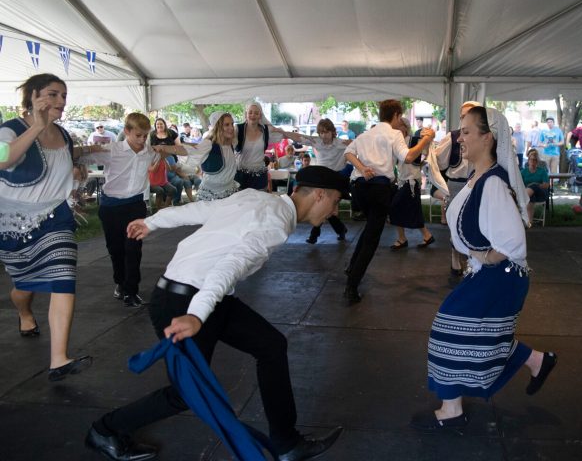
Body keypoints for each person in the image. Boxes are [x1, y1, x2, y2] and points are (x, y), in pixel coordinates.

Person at [85, 166, 347, 461]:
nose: (335, 211)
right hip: (183, 302)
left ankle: (287, 444)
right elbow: (229, 265)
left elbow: (201, 209)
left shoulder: (258, 198)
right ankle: (105, 430)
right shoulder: (276, 222)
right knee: (186, 393)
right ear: (320, 195)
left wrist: (153, 222)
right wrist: (196, 315)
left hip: (203, 297)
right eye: (335, 202)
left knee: (271, 346)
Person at [411, 106, 554, 432]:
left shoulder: (491, 183)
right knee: (486, 336)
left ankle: (451, 409)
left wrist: (483, 255)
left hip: (500, 278)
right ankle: (538, 361)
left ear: (488, 137)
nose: (460, 136)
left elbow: (513, 241)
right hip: (491, 276)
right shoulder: (479, 178)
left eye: (467, 131)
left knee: (446, 332)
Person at [0, 73, 92, 381]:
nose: (60, 102)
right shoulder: (10, 129)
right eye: (52, 94)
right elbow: (2, 159)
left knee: (64, 277)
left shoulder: (64, 136)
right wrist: (37, 126)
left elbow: (59, 169)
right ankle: (25, 312)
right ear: (33, 96)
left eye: (64, 96)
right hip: (15, 223)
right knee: (23, 287)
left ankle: (59, 360)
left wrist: (75, 178)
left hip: (56, 218)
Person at [342, 99, 434, 304]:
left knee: (369, 229)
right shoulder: (394, 134)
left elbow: (348, 153)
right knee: (372, 239)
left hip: (359, 189)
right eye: (400, 117)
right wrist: (426, 141)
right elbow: (408, 157)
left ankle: (351, 268)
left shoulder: (367, 133)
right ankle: (352, 286)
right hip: (379, 189)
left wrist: (363, 167)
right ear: (396, 115)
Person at [83, 113, 157, 307]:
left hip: (135, 206)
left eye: (145, 135)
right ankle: (120, 284)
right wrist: (79, 161)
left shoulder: (148, 151)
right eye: (138, 135)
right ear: (127, 131)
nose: (142, 140)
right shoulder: (111, 150)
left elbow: (169, 150)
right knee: (115, 249)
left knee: (133, 249)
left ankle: (132, 290)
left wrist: (169, 148)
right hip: (111, 207)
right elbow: (82, 155)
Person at [279, 118, 352, 244]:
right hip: (322, 178)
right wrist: (282, 132)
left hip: (335, 179)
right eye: (321, 133)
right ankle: (338, 230)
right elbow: (299, 137)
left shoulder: (341, 143)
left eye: (326, 132)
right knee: (324, 209)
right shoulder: (317, 141)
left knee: (326, 209)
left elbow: (357, 144)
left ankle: (317, 234)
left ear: (333, 132)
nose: (323, 135)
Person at [430, 101, 481, 275]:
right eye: (462, 116)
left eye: (469, 115)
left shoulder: (485, 135)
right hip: (457, 184)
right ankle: (455, 257)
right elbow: (437, 161)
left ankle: (473, 256)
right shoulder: (452, 137)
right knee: (456, 223)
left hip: (478, 183)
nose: (464, 119)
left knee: (476, 222)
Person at [159, 112, 239, 202]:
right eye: (226, 125)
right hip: (211, 196)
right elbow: (187, 150)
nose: (231, 128)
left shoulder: (231, 143)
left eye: (232, 124)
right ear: (218, 127)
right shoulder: (208, 144)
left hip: (230, 193)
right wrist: (163, 148)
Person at [389, 120, 434, 250]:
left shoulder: (414, 140)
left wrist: (421, 163)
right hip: (404, 181)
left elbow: (428, 151)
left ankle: (403, 238)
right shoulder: (396, 143)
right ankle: (425, 236)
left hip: (411, 181)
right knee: (413, 210)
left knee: (395, 207)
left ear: (405, 128)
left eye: (397, 127)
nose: (395, 130)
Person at [235, 102, 280, 191]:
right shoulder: (238, 129)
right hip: (242, 176)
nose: (253, 115)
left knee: (260, 203)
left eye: (256, 113)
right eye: (250, 112)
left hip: (259, 177)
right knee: (242, 203)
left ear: (260, 115)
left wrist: (309, 139)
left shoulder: (266, 130)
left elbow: (284, 133)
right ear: (246, 114)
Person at [521, 149, 549, 223]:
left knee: (534, 185)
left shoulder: (542, 171)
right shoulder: (523, 172)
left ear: (537, 161)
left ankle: (521, 199)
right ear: (528, 160)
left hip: (541, 194)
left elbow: (546, 185)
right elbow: (520, 184)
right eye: (531, 159)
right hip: (531, 195)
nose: (533, 161)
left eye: (535, 160)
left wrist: (535, 185)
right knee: (531, 197)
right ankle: (529, 222)